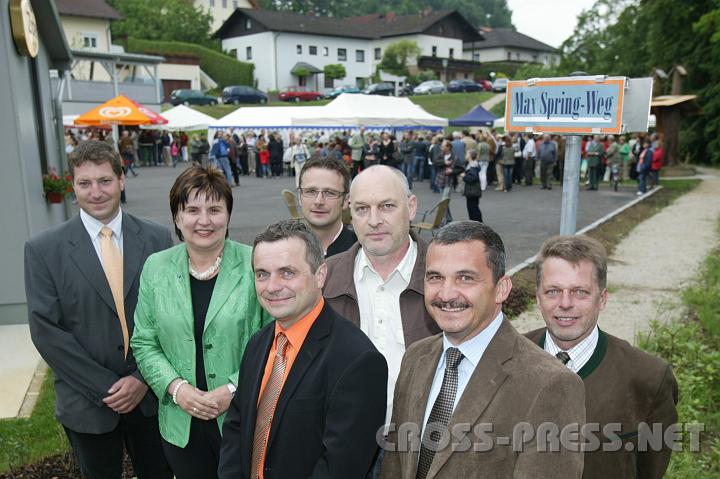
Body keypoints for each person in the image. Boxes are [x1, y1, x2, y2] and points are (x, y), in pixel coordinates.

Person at [380, 221, 586, 478]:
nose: (446, 294)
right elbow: (395, 466)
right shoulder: (415, 358)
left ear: (501, 288)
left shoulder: (550, 384)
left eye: (465, 278)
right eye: (435, 277)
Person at [25, 140, 174, 479]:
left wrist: (141, 378)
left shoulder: (156, 238)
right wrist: (106, 387)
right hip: (86, 402)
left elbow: (170, 315)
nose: (96, 192)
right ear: (72, 185)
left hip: (149, 397)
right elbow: (46, 331)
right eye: (85, 183)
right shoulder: (43, 250)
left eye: (105, 181)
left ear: (121, 181)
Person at [218, 220, 388, 479]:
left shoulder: (357, 360)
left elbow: (340, 467)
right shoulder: (258, 343)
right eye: (262, 273)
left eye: (287, 272)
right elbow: (236, 427)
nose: (272, 286)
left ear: (320, 275)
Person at [131, 165, 271, 479]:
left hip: (243, 416)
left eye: (214, 209)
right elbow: (144, 341)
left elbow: (276, 339)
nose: (204, 220)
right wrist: (177, 389)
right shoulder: (156, 268)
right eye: (192, 210)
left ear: (228, 216)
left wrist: (233, 389)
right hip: (181, 421)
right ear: (177, 218)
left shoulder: (256, 264)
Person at [526, 235, 678, 479]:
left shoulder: (648, 378)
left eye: (580, 292)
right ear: (538, 297)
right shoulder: (506, 360)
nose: (565, 303)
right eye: (553, 291)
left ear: (602, 299)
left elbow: (650, 469)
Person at [323, 165, 442, 472]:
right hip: (343, 449)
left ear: (411, 207)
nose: (374, 220)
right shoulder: (323, 280)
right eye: (362, 209)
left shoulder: (446, 278)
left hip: (425, 449)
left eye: (387, 206)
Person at [298, 156, 357, 257]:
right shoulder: (282, 250)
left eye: (329, 193)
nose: (319, 201)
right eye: (311, 191)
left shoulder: (362, 252)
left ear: (346, 200)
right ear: (300, 197)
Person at [462, 149, 483, 222]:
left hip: (472, 190)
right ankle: (476, 222)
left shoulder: (472, 166)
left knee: (472, 207)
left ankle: (477, 222)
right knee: (473, 207)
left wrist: (464, 176)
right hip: (473, 190)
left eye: (467, 154)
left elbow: (473, 178)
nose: (466, 155)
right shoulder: (472, 164)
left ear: (470, 156)